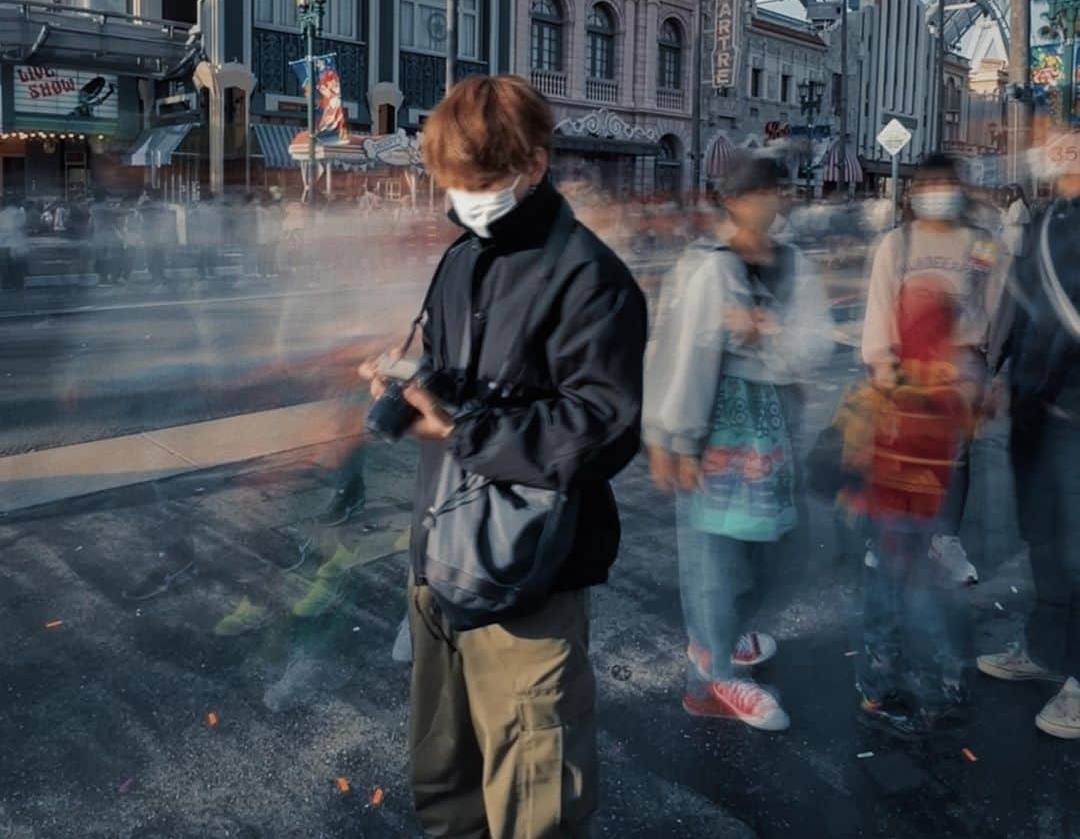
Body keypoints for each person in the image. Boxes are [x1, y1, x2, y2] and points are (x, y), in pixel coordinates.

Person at [365, 75, 645, 839]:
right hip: (441, 558)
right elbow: (454, 380)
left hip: (532, 578)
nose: (464, 198)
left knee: (534, 798)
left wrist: (457, 428)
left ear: (534, 164)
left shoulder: (593, 280)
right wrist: (407, 387)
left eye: (480, 182)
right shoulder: (462, 258)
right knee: (444, 778)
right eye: (452, 184)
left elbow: (602, 429)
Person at [643, 151, 833, 731]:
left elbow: (814, 342)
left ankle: (722, 635)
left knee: (777, 549)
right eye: (756, 194)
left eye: (776, 193)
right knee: (712, 553)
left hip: (773, 429)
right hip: (714, 425)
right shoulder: (707, 266)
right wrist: (669, 436)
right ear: (731, 201)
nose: (768, 204)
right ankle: (713, 673)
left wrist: (765, 335)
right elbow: (678, 354)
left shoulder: (794, 262)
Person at [861, 153, 1003, 586]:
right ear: (916, 192)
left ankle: (945, 539)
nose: (939, 193)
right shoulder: (898, 243)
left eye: (947, 183)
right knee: (902, 454)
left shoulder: (981, 243)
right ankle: (887, 537)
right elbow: (880, 304)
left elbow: (996, 305)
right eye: (930, 185)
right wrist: (881, 365)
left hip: (963, 361)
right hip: (908, 360)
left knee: (956, 457)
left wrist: (996, 373)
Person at [979, 144, 1080, 740]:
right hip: (1036, 409)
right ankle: (1046, 652)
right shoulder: (1047, 220)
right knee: (1045, 539)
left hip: (1075, 409)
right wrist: (1000, 373)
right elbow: (1020, 305)